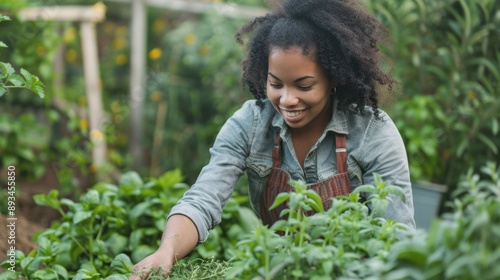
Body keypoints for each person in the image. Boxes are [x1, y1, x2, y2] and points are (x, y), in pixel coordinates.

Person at [130, 0, 415, 278]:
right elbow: (204, 198)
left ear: (334, 78)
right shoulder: (250, 124)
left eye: (304, 85)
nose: (287, 99)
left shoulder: (373, 133)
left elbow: (396, 236)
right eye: (275, 83)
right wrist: (167, 251)